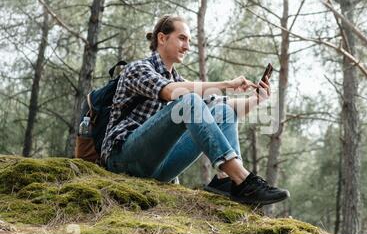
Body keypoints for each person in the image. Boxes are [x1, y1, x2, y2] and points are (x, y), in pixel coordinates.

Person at [101, 14, 289, 205]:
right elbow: (169, 92)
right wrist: (226, 84)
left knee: (223, 112)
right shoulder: (137, 69)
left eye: (189, 41)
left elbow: (223, 106)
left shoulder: (178, 80)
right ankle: (242, 179)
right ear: (162, 38)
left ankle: (227, 179)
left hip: (158, 169)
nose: (187, 46)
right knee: (189, 100)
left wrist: (256, 99)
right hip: (124, 160)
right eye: (182, 38)